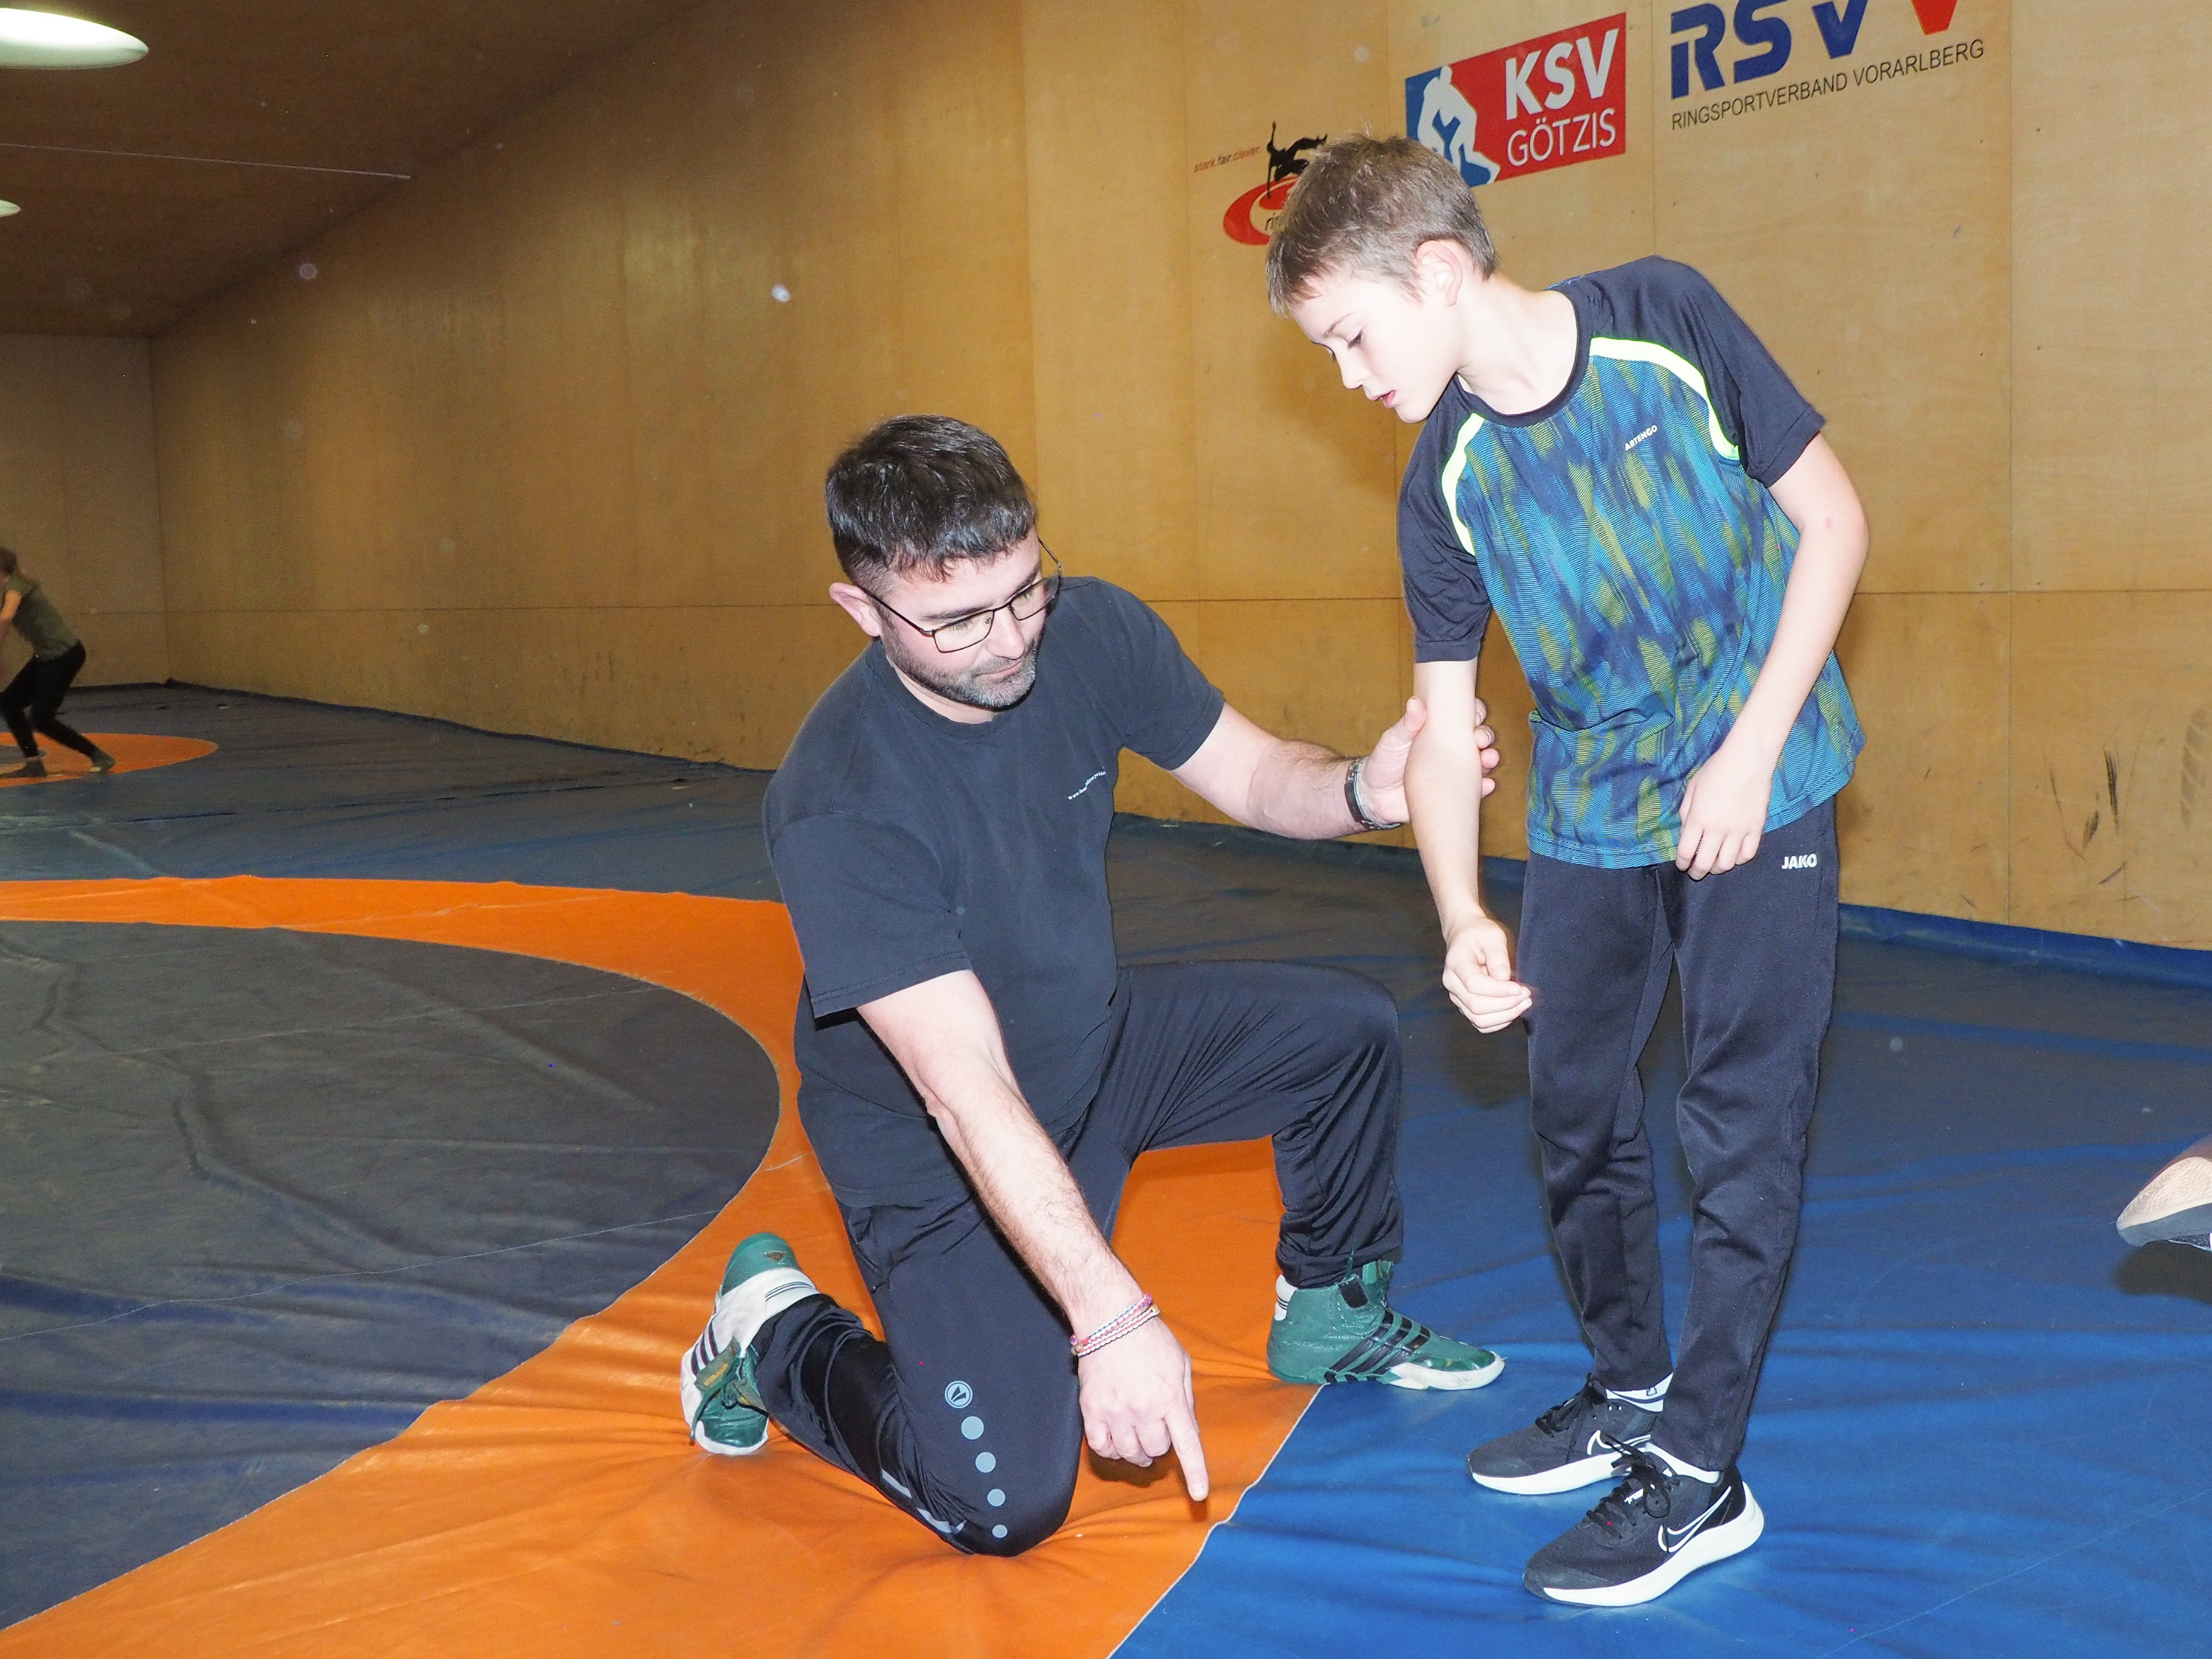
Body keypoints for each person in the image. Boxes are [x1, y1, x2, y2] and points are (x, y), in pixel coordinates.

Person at [680, 414, 1509, 1557]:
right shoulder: (840, 802)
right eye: (960, 620)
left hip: (1096, 1046)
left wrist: (1370, 787)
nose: (1010, 639)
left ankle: (1328, 1310)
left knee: (1346, 1031)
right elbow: (964, 1084)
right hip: (936, 1150)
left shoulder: (1091, 630)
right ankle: (771, 1330)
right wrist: (1110, 1316)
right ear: (863, 611)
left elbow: (1259, 776)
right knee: (1002, 1505)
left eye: (1025, 590)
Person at [1267, 136, 1868, 1605]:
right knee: (1574, 1102)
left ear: (1439, 273)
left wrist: (1751, 752)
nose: (1347, 377)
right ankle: (1632, 1387)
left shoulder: (1665, 318)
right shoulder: (1445, 481)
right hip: (1596, 808)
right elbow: (1444, 724)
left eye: (1351, 337)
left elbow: (1834, 523)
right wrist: (1460, 913)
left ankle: (1703, 1473)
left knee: (1737, 1125)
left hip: (1763, 775)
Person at [1, 546, 114, 779]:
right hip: (46, 656)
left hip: (65, 655)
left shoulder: (16, 586)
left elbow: (6, 617)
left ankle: (98, 755)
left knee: (41, 717)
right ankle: (34, 763)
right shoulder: (7, 589)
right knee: (9, 703)